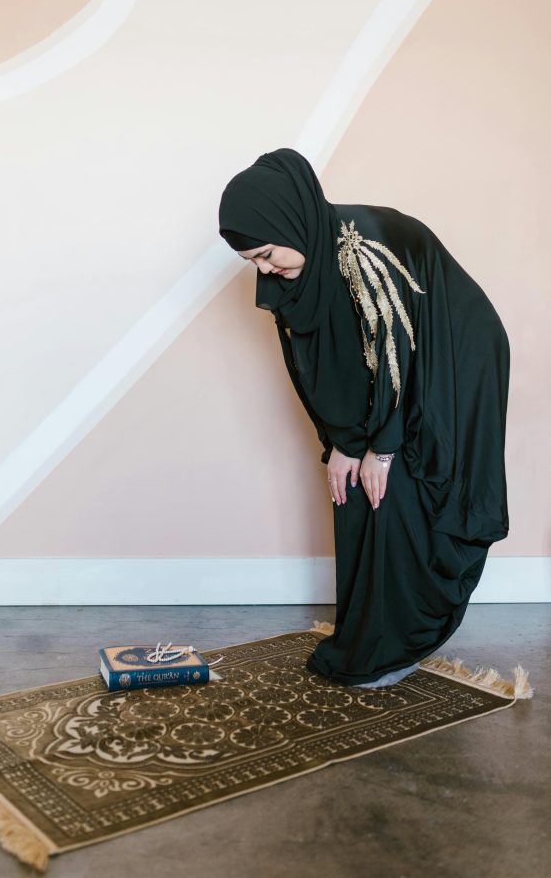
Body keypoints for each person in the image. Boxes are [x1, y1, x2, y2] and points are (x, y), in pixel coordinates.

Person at [218, 147, 510, 688]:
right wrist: (344, 442)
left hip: (452, 357)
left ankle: (400, 643)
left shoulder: (364, 248)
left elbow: (399, 351)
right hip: (398, 369)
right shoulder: (297, 269)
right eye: (251, 262)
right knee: (351, 485)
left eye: (266, 254)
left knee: (399, 486)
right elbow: (325, 367)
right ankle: (366, 631)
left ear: (291, 223)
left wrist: (382, 447)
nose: (265, 271)